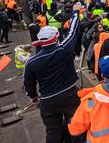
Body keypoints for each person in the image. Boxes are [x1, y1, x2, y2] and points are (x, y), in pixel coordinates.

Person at [23, 9, 81, 143]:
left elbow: (28, 84)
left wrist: (34, 97)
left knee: (52, 131)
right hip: (69, 94)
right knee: (76, 125)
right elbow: (72, 33)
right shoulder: (64, 49)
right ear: (56, 37)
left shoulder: (31, 62)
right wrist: (76, 14)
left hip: (48, 99)